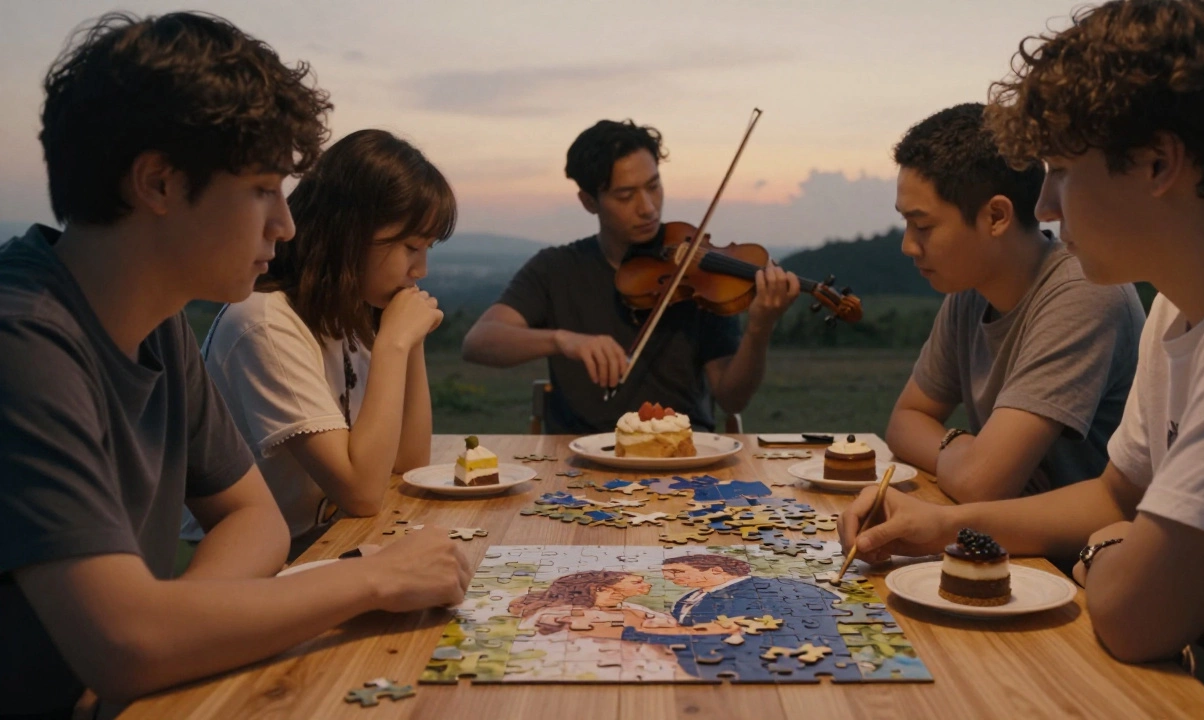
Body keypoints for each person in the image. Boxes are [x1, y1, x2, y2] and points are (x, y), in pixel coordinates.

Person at [0, 13, 470, 717]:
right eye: (261, 189)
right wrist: (371, 580)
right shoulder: (23, 339)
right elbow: (127, 642)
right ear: (157, 183)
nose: (284, 224)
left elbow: (255, 522)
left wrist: (167, 627)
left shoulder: (158, 323)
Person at [839, 1, 1204, 716]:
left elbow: (1136, 618)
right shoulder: (1180, 304)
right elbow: (1113, 497)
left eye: (1065, 170)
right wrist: (939, 525)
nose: (1044, 203)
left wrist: (1105, 550)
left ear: (1158, 164)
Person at [180, 129, 452, 556]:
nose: (421, 268)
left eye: (428, 248)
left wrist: (411, 341)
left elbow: (409, 463)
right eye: (411, 246)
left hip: (333, 543)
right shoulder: (265, 322)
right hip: (265, 567)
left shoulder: (347, 311)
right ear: (347, 232)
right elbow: (361, 492)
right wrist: (394, 345)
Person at [460, 119, 801, 433]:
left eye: (653, 186)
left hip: (682, 455)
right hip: (579, 458)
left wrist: (759, 328)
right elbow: (479, 342)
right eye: (626, 195)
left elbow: (732, 398)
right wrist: (561, 340)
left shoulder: (700, 274)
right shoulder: (555, 268)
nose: (648, 208)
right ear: (589, 202)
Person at [886, 103, 1144, 502]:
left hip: (1071, 557)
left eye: (922, 226)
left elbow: (980, 484)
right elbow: (905, 421)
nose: (907, 246)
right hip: (1006, 543)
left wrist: (973, 466)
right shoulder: (971, 290)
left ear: (996, 216)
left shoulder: (1084, 293)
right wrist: (964, 448)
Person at [619, 554, 849, 681]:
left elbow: (722, 634)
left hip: (774, 674)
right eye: (666, 574)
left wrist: (635, 633)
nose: (670, 578)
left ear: (717, 571)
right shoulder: (691, 596)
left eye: (676, 572)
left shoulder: (770, 591)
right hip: (709, 672)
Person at [506, 571, 693, 680]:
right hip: (595, 674)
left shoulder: (627, 606)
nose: (647, 584)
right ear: (600, 588)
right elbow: (633, 630)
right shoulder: (558, 613)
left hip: (659, 668)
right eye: (637, 581)